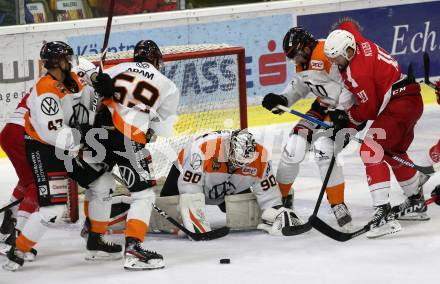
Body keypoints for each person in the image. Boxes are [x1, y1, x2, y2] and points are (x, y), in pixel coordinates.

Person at [3, 41, 122, 271]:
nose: (71, 61)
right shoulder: (45, 91)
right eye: (67, 58)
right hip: (44, 148)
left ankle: (95, 240)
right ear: (57, 62)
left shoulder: (73, 81)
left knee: (103, 182)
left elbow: (87, 105)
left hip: (67, 146)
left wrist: (102, 90)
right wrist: (84, 140)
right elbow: (53, 133)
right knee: (53, 210)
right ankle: (18, 249)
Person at [324, 22, 427, 238]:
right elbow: (349, 26)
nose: (334, 63)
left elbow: (369, 110)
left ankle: (383, 212)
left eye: (337, 58)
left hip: (399, 104)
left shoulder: (357, 72)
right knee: (393, 151)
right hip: (411, 99)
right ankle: (416, 200)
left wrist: (348, 120)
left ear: (348, 51)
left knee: (371, 149)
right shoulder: (356, 41)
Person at [92, 39, 180, 270]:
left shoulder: (118, 67)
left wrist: (99, 81)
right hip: (127, 138)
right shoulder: (167, 85)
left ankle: (93, 238)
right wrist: (147, 130)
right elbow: (162, 127)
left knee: (98, 184)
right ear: (156, 60)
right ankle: (133, 249)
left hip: (97, 132)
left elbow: (93, 89)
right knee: (143, 195)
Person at [261, 27, 356, 228]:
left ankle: (338, 204)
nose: (294, 60)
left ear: (306, 46)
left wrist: (342, 111)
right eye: (291, 57)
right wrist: (282, 99)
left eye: (295, 54)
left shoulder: (326, 52)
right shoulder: (303, 62)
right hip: (321, 107)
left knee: (324, 151)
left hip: (343, 111)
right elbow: (299, 88)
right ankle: (279, 201)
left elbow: (349, 85)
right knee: (292, 149)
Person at [160, 129, 303, 236]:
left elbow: (269, 194)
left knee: (244, 211)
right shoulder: (203, 150)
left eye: (244, 163)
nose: (239, 166)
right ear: (228, 149)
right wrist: (196, 223)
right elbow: (189, 188)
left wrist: (278, 212)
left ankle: (223, 201)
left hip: (229, 183)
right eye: (236, 162)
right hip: (189, 173)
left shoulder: (261, 156)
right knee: (167, 205)